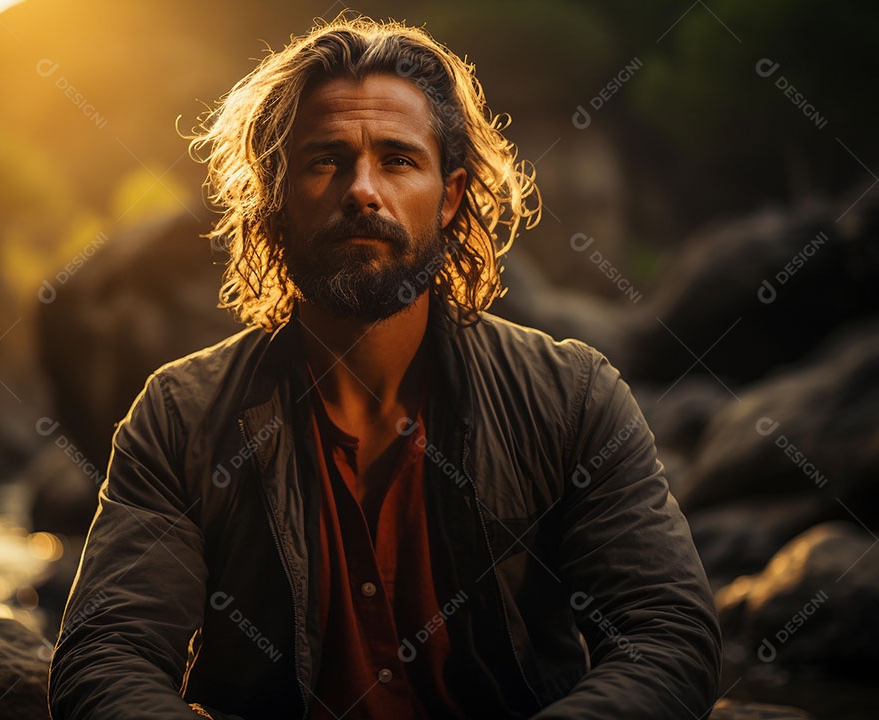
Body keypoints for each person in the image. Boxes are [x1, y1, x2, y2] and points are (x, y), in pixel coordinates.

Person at [48, 15, 721, 720]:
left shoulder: (570, 397)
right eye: (324, 160)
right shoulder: (181, 416)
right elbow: (107, 654)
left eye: (398, 160)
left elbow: (667, 634)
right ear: (274, 202)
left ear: (451, 195)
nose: (361, 190)